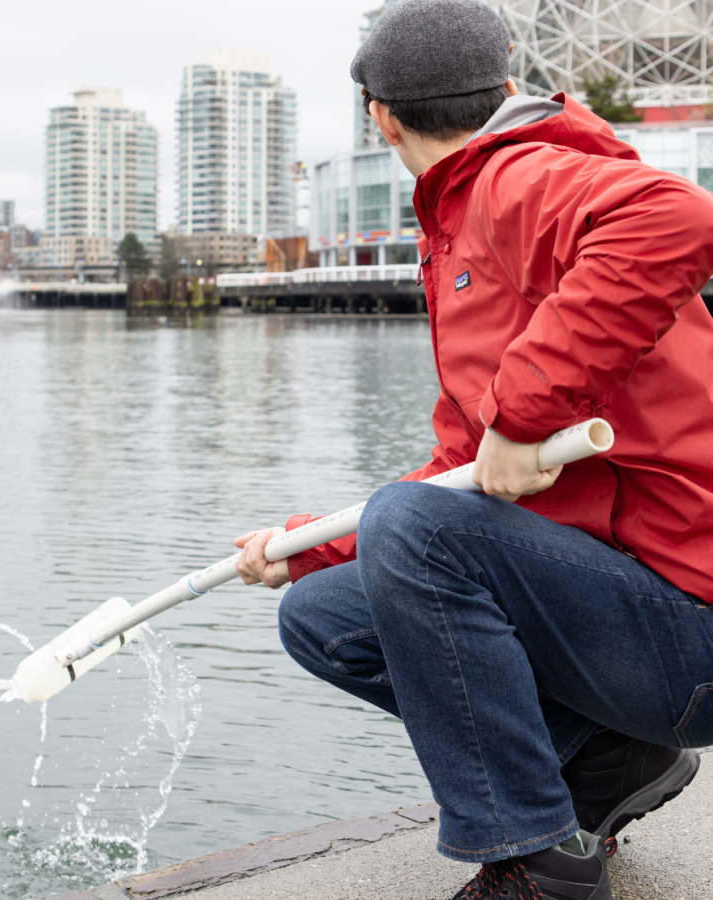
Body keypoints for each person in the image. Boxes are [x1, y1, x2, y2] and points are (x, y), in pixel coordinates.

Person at [234, 1, 713, 897]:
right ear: (505, 84)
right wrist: (303, 545)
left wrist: (525, 409)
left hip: (691, 630)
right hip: (640, 636)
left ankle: (537, 862)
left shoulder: (514, 180)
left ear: (378, 115)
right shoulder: (465, 223)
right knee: (325, 616)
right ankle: (613, 762)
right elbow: (461, 469)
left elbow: (678, 217)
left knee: (414, 532)